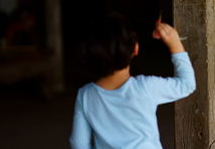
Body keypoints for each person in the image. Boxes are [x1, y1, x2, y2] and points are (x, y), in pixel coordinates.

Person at [69, 12, 196, 149]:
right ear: (135, 49)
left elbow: (79, 144)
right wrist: (175, 44)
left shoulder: (85, 95)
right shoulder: (146, 87)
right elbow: (187, 85)